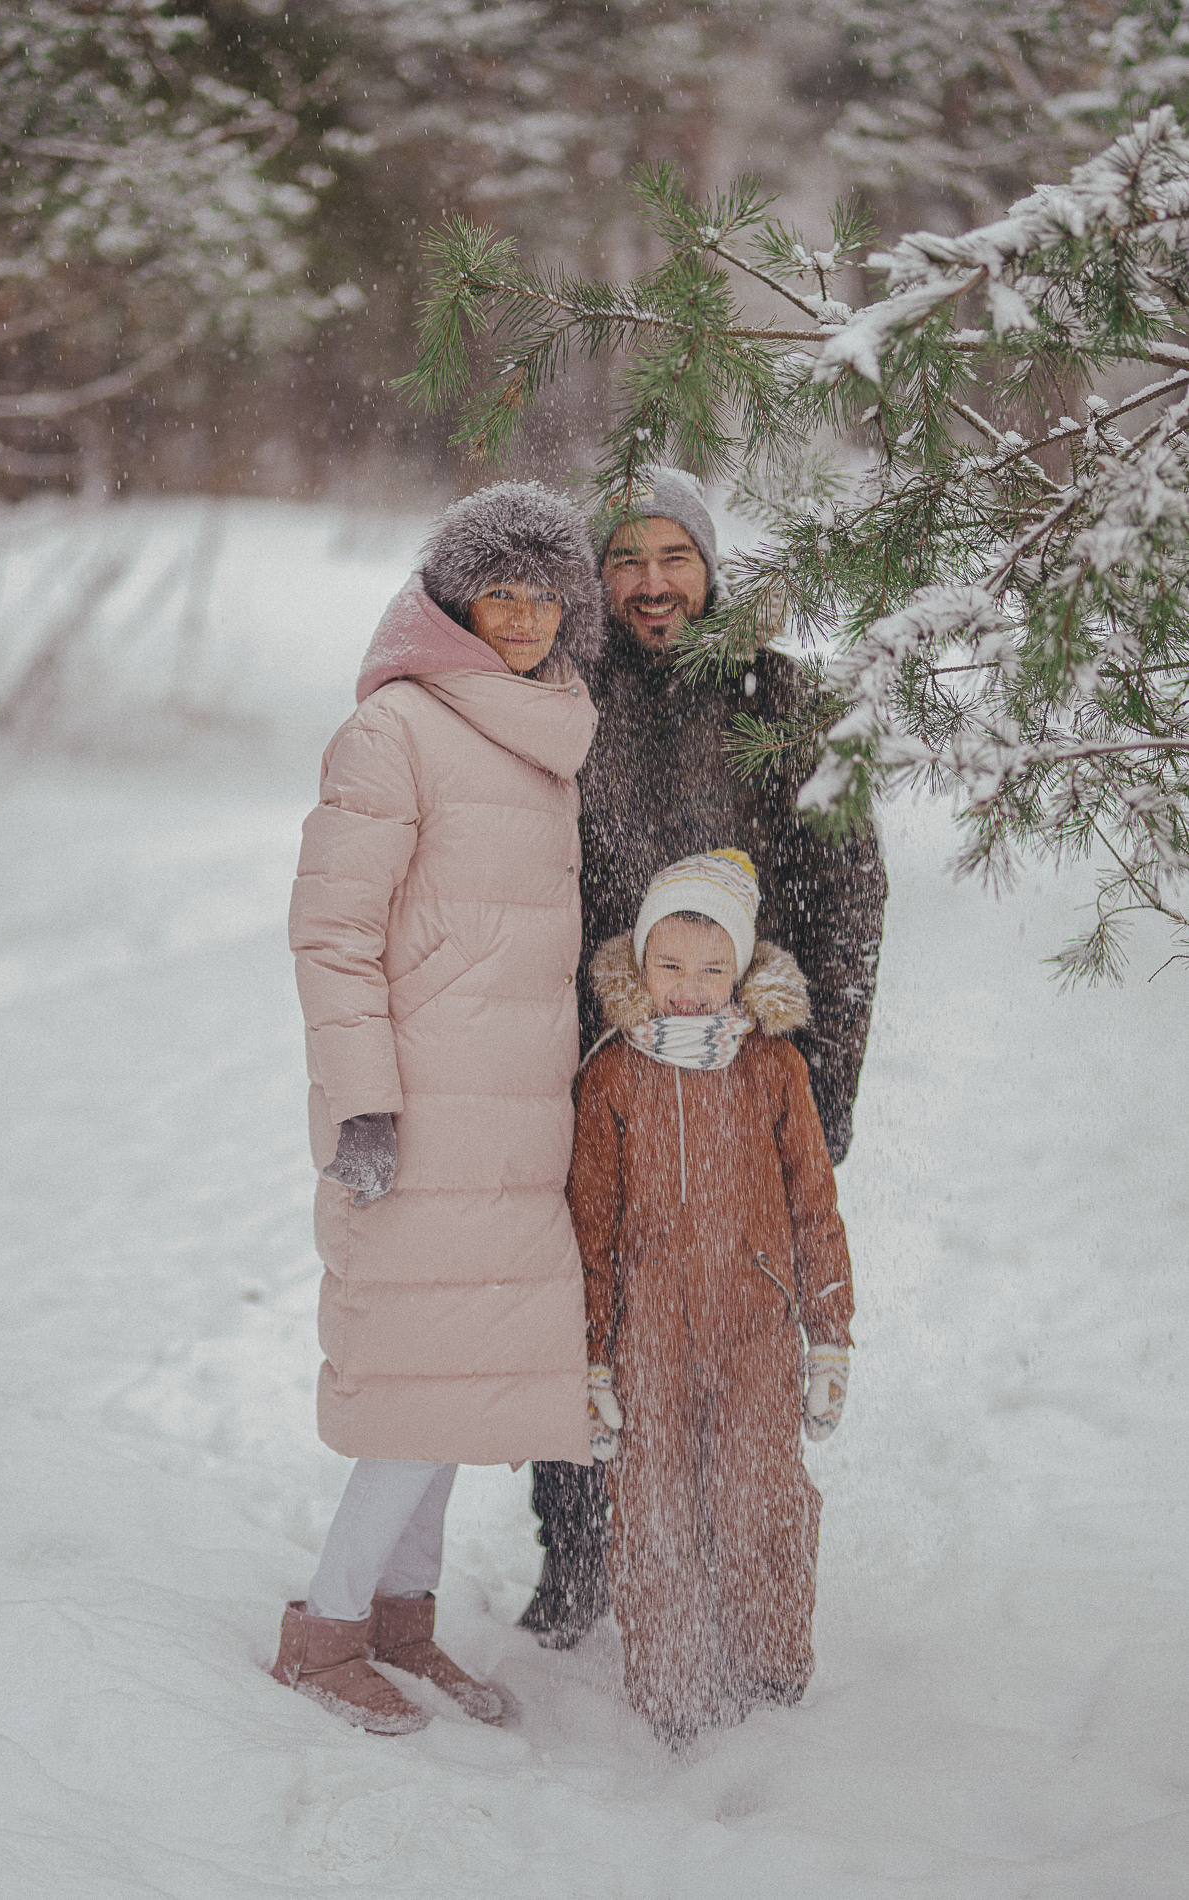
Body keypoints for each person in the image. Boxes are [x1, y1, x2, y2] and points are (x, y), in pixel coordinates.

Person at [521, 465, 886, 1649]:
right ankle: (577, 1549)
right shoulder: (563, 699)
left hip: (745, 1070)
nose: (650, 583)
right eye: (623, 559)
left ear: (711, 564)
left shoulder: (776, 696)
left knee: (733, 1326)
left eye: (673, 555)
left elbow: (847, 893)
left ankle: (746, 1565)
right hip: (598, 1068)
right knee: (581, 1304)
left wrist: (820, 1083)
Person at [274, 482, 602, 1733]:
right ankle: (327, 1625)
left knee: (461, 1386)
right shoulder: (397, 729)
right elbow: (334, 932)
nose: (521, 615)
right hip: (419, 1121)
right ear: (454, 599)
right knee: (419, 1389)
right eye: (497, 591)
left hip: (515, 1123)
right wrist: (363, 1105)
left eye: (541, 592)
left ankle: (403, 1623)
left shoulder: (547, 721)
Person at [566, 849, 855, 1746]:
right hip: (648, 1332)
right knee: (653, 1506)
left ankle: (768, 1673)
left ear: (741, 968)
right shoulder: (612, 1073)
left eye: (711, 969)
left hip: (755, 1331)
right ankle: (674, 1688)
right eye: (669, 967)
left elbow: (814, 1204)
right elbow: (591, 1226)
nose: (688, 990)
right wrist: (591, 1358)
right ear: (639, 963)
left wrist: (828, 1336)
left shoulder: (773, 1069)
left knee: (753, 1496)